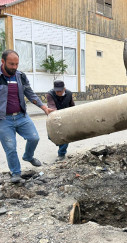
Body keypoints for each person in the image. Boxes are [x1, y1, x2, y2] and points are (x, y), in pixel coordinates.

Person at [0, 49, 53, 183]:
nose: (14, 67)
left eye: (16, 64)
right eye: (11, 64)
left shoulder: (20, 76)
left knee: (34, 138)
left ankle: (28, 156)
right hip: (3, 120)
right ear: (3, 62)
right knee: (10, 147)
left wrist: (44, 107)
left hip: (21, 116)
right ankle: (16, 173)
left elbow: (30, 93)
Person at [47, 80, 75, 162]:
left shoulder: (69, 93)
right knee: (50, 136)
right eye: (57, 91)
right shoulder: (50, 94)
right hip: (54, 116)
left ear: (64, 88)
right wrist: (56, 115)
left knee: (65, 136)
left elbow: (72, 105)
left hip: (66, 117)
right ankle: (59, 142)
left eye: (60, 91)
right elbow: (51, 105)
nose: (58, 92)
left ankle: (61, 154)